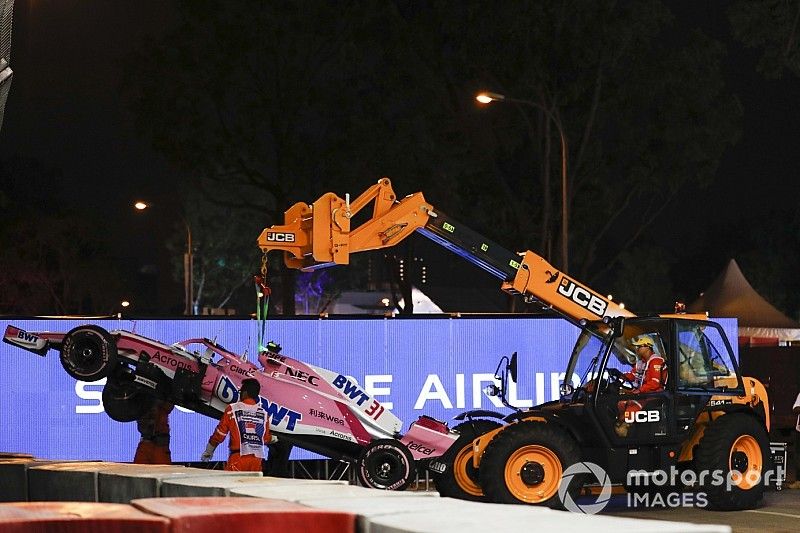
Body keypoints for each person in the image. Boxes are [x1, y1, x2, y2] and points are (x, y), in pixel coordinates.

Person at [201, 378, 271, 471]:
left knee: (232, 485)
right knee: (254, 485)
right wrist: (273, 439)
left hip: (238, 458)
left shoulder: (233, 409)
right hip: (257, 460)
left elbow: (220, 434)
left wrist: (208, 451)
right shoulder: (264, 414)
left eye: (240, 391)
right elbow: (265, 439)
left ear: (245, 393)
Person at [614, 334, 667, 437]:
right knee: (621, 403)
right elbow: (632, 375)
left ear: (647, 347)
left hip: (654, 395)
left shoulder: (656, 361)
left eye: (639, 346)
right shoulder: (641, 363)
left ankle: (625, 430)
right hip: (643, 393)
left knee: (632, 404)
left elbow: (655, 383)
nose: (637, 349)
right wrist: (620, 375)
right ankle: (620, 423)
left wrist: (639, 391)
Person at [133, 399, 174, 464]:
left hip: (160, 445)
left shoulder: (165, 396)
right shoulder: (141, 397)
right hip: (145, 442)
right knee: (138, 471)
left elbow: (169, 406)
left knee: (163, 472)